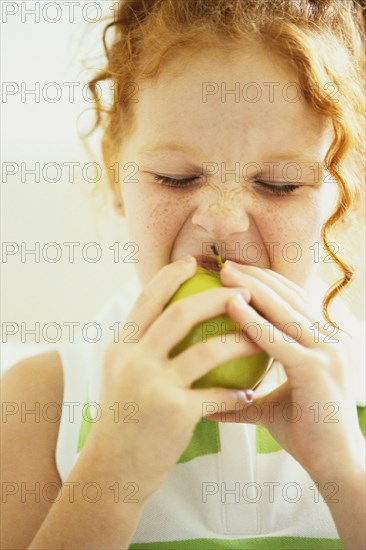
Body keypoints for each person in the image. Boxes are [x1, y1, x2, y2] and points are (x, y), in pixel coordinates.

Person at [2, 0, 365, 549]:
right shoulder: (43, 403)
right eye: (175, 177)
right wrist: (110, 479)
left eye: (280, 183)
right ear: (114, 173)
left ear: (347, 189)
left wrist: (346, 477)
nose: (221, 219)